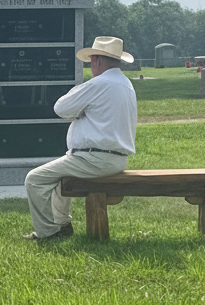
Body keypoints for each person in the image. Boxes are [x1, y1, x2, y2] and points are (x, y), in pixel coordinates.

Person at [22, 36, 137, 240]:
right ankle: (62, 225)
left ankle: (48, 233)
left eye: (91, 61)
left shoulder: (99, 83)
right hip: (115, 159)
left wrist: (80, 108)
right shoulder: (125, 84)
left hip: (95, 160)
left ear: (98, 60)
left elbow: (60, 108)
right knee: (58, 177)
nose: (91, 66)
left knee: (34, 179)